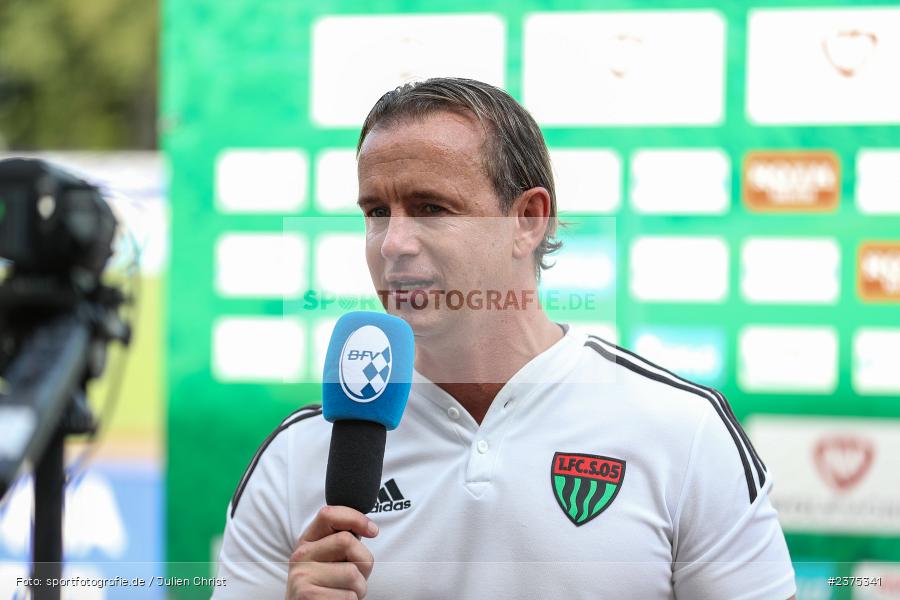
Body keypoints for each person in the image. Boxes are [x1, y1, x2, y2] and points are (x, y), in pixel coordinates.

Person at [213, 77, 796, 599]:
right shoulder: (296, 454)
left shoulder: (682, 429)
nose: (393, 244)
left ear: (528, 220)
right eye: (376, 212)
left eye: (430, 208)